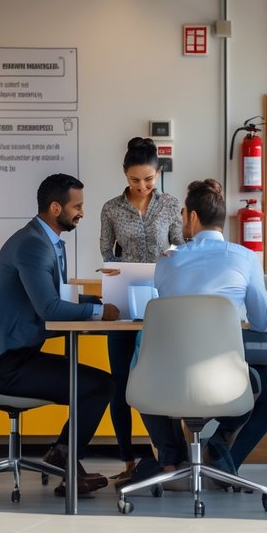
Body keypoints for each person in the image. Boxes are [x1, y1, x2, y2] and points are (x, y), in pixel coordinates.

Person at [0, 173, 119, 497]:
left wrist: (95, 303)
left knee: (96, 384)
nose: (82, 212)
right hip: (5, 365)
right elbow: (51, 310)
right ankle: (66, 458)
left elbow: (58, 297)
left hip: (19, 355)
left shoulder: (46, 241)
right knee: (100, 386)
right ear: (56, 207)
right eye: (77, 205)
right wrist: (99, 312)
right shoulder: (33, 246)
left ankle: (62, 454)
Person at [140, 178, 267, 480]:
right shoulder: (245, 257)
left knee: (139, 363)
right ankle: (219, 455)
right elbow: (260, 323)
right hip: (223, 377)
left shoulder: (167, 262)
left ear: (191, 216)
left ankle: (169, 459)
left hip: (167, 376)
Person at [98, 137, 184, 484]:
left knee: (161, 379)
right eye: (135, 180)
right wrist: (119, 269)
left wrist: (173, 254)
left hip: (164, 303)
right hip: (125, 301)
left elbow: (183, 246)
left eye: (148, 179)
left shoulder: (171, 205)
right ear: (124, 175)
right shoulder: (110, 208)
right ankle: (130, 459)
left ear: (158, 172)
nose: (142, 186)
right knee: (120, 383)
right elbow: (107, 253)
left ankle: (169, 457)